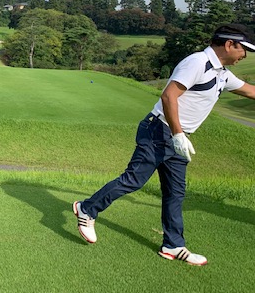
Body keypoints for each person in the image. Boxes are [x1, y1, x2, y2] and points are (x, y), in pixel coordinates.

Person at [73, 23, 255, 266]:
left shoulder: (222, 73)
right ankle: (87, 209)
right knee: (133, 179)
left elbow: (251, 91)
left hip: (179, 138)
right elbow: (169, 96)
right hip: (159, 131)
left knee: (175, 192)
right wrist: (177, 134)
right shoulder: (197, 62)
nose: (245, 56)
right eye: (244, 50)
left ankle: (173, 244)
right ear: (229, 44)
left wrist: (179, 137)